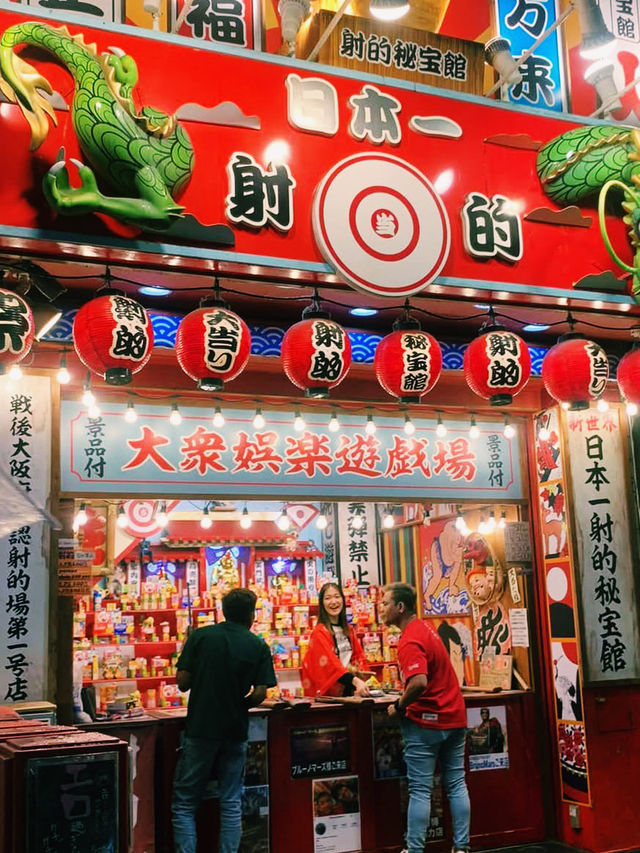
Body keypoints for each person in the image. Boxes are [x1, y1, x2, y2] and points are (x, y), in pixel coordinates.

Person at [172, 587, 277, 853]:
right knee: (231, 801)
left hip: (201, 728)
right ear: (251, 615)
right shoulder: (257, 645)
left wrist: (203, 675)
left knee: (185, 803)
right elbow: (261, 694)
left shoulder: (202, 636)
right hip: (235, 730)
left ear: (223, 611)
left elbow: (182, 683)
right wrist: (239, 704)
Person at [381, 583, 470, 853]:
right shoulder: (426, 629)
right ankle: (462, 847)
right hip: (455, 716)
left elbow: (418, 682)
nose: (381, 608)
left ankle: (415, 850)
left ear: (400, 607)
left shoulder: (409, 639)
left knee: (420, 789)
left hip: (427, 722)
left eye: (385, 603)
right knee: (456, 783)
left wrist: (398, 704)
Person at [300, 582, 371, 697]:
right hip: (331, 696)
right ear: (322, 604)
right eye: (328, 598)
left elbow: (358, 657)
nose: (333, 602)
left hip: (350, 690)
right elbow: (331, 665)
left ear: (343, 600)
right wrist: (356, 681)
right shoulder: (319, 633)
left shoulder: (349, 629)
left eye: (337, 597)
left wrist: (360, 673)